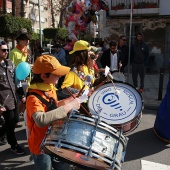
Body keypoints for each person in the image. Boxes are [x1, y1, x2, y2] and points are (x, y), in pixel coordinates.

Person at [26, 55, 80, 170]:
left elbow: (53, 107)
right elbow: (41, 120)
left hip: (55, 140)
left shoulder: (49, 87)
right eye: (56, 74)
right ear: (44, 75)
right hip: (40, 146)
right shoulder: (33, 97)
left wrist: (69, 100)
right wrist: (70, 106)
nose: (60, 76)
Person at [0, 40, 25, 154]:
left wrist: (21, 95)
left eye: (7, 50)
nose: (6, 52)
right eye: (3, 50)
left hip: (13, 98)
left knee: (15, 120)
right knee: (10, 123)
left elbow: (17, 80)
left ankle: (1, 134)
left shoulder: (10, 63)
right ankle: (14, 145)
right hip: (3, 100)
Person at [9, 28, 32, 127]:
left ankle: (16, 118)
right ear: (19, 40)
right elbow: (10, 68)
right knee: (22, 101)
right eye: (25, 39)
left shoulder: (27, 51)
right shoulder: (13, 52)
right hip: (18, 81)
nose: (27, 41)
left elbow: (27, 66)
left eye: (28, 39)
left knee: (25, 101)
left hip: (27, 80)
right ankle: (13, 119)